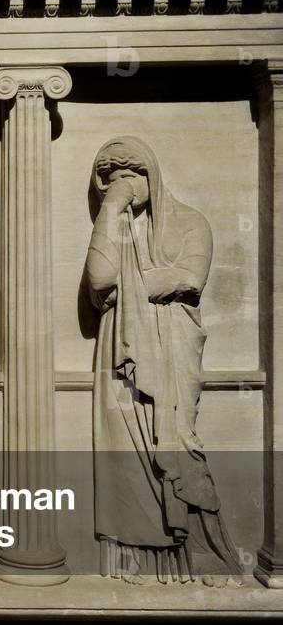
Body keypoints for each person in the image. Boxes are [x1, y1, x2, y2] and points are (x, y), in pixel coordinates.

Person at [85, 136, 243, 587]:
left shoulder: (190, 222)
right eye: (113, 179)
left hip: (171, 347)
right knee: (124, 456)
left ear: (152, 174)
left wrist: (128, 286)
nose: (125, 184)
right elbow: (99, 278)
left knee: (179, 444)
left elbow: (188, 278)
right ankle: (136, 560)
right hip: (120, 352)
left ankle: (207, 557)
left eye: (133, 175)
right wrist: (111, 209)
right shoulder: (113, 227)